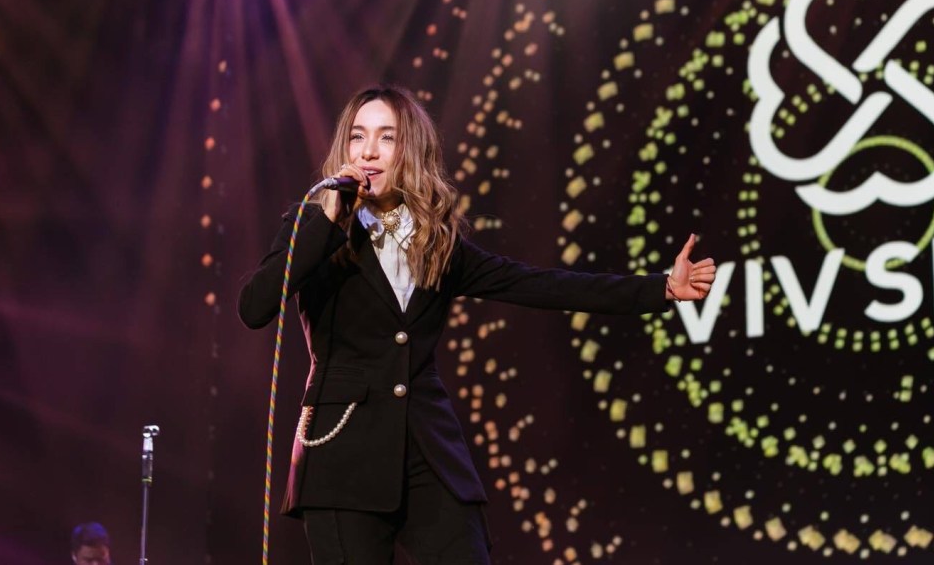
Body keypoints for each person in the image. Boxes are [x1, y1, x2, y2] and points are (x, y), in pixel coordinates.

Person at [238, 85, 716, 564]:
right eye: (358, 136)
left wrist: (661, 288)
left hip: (427, 453)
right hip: (342, 453)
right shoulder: (312, 225)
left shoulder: (436, 243)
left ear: (411, 150)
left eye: (387, 137)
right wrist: (328, 222)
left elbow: (542, 285)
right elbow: (255, 306)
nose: (368, 151)